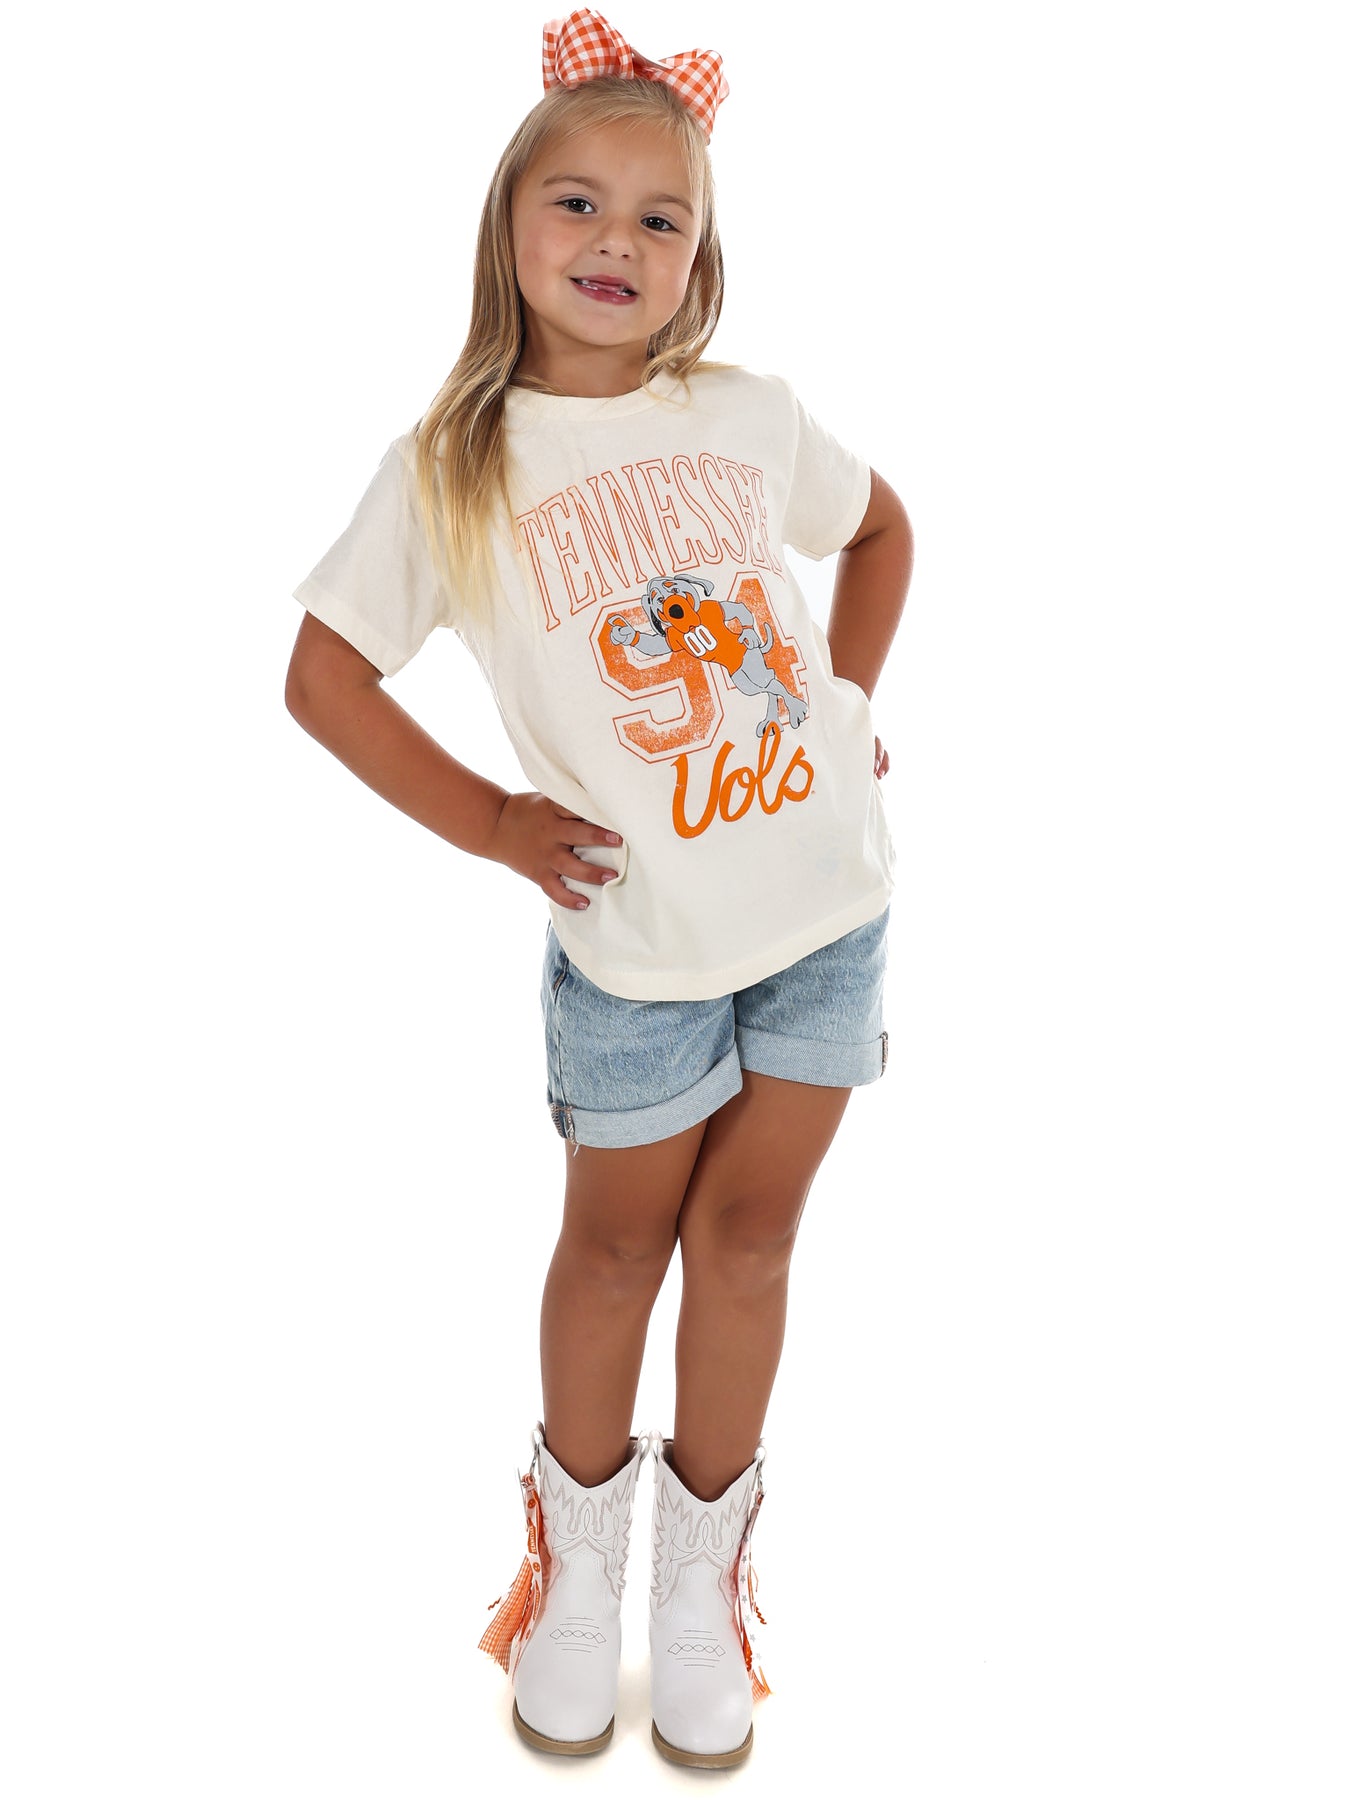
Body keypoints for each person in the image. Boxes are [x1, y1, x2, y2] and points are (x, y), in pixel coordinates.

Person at [284, 7, 914, 1772]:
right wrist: (493, 821)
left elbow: (880, 529)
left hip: (826, 912)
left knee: (752, 1237)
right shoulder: (453, 464)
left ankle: (702, 1578)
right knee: (619, 1243)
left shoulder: (747, 415)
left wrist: (846, 701)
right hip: (637, 949)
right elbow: (323, 677)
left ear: (702, 257)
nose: (614, 241)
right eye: (576, 202)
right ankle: (573, 1571)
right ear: (507, 221)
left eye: (661, 216)